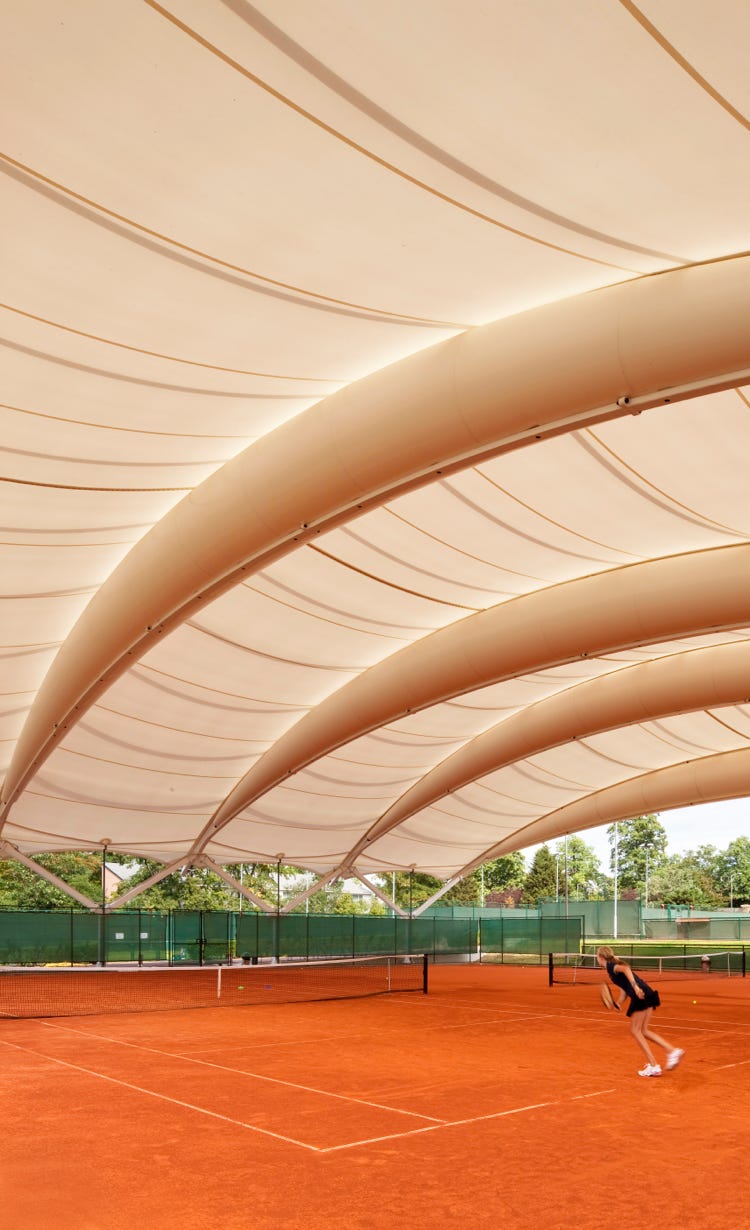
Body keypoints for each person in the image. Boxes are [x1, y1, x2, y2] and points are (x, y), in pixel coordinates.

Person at [596, 945, 684, 1077]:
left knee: (635, 1031)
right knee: (643, 1030)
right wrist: (619, 1003)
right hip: (646, 992)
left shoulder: (610, 966)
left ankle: (654, 1065)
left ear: (600, 957)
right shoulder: (612, 968)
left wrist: (636, 988)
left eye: (597, 956)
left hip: (640, 994)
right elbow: (624, 989)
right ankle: (672, 1051)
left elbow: (626, 969)